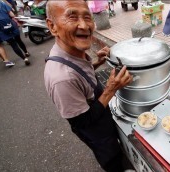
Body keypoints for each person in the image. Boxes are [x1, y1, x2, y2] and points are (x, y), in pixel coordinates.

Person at [44, 1, 133, 172]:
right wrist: (111, 89)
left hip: (100, 115)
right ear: (52, 26)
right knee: (110, 156)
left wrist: (97, 63)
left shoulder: (69, 51)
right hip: (94, 130)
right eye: (72, 16)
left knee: (114, 142)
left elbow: (80, 77)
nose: (84, 25)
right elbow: (82, 122)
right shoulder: (61, 78)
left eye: (87, 17)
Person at [0, 0, 31, 65]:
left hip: (0, 29)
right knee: (18, 40)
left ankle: (24, 58)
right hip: (10, 24)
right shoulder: (0, 3)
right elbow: (12, 14)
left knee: (13, 44)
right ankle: (26, 52)